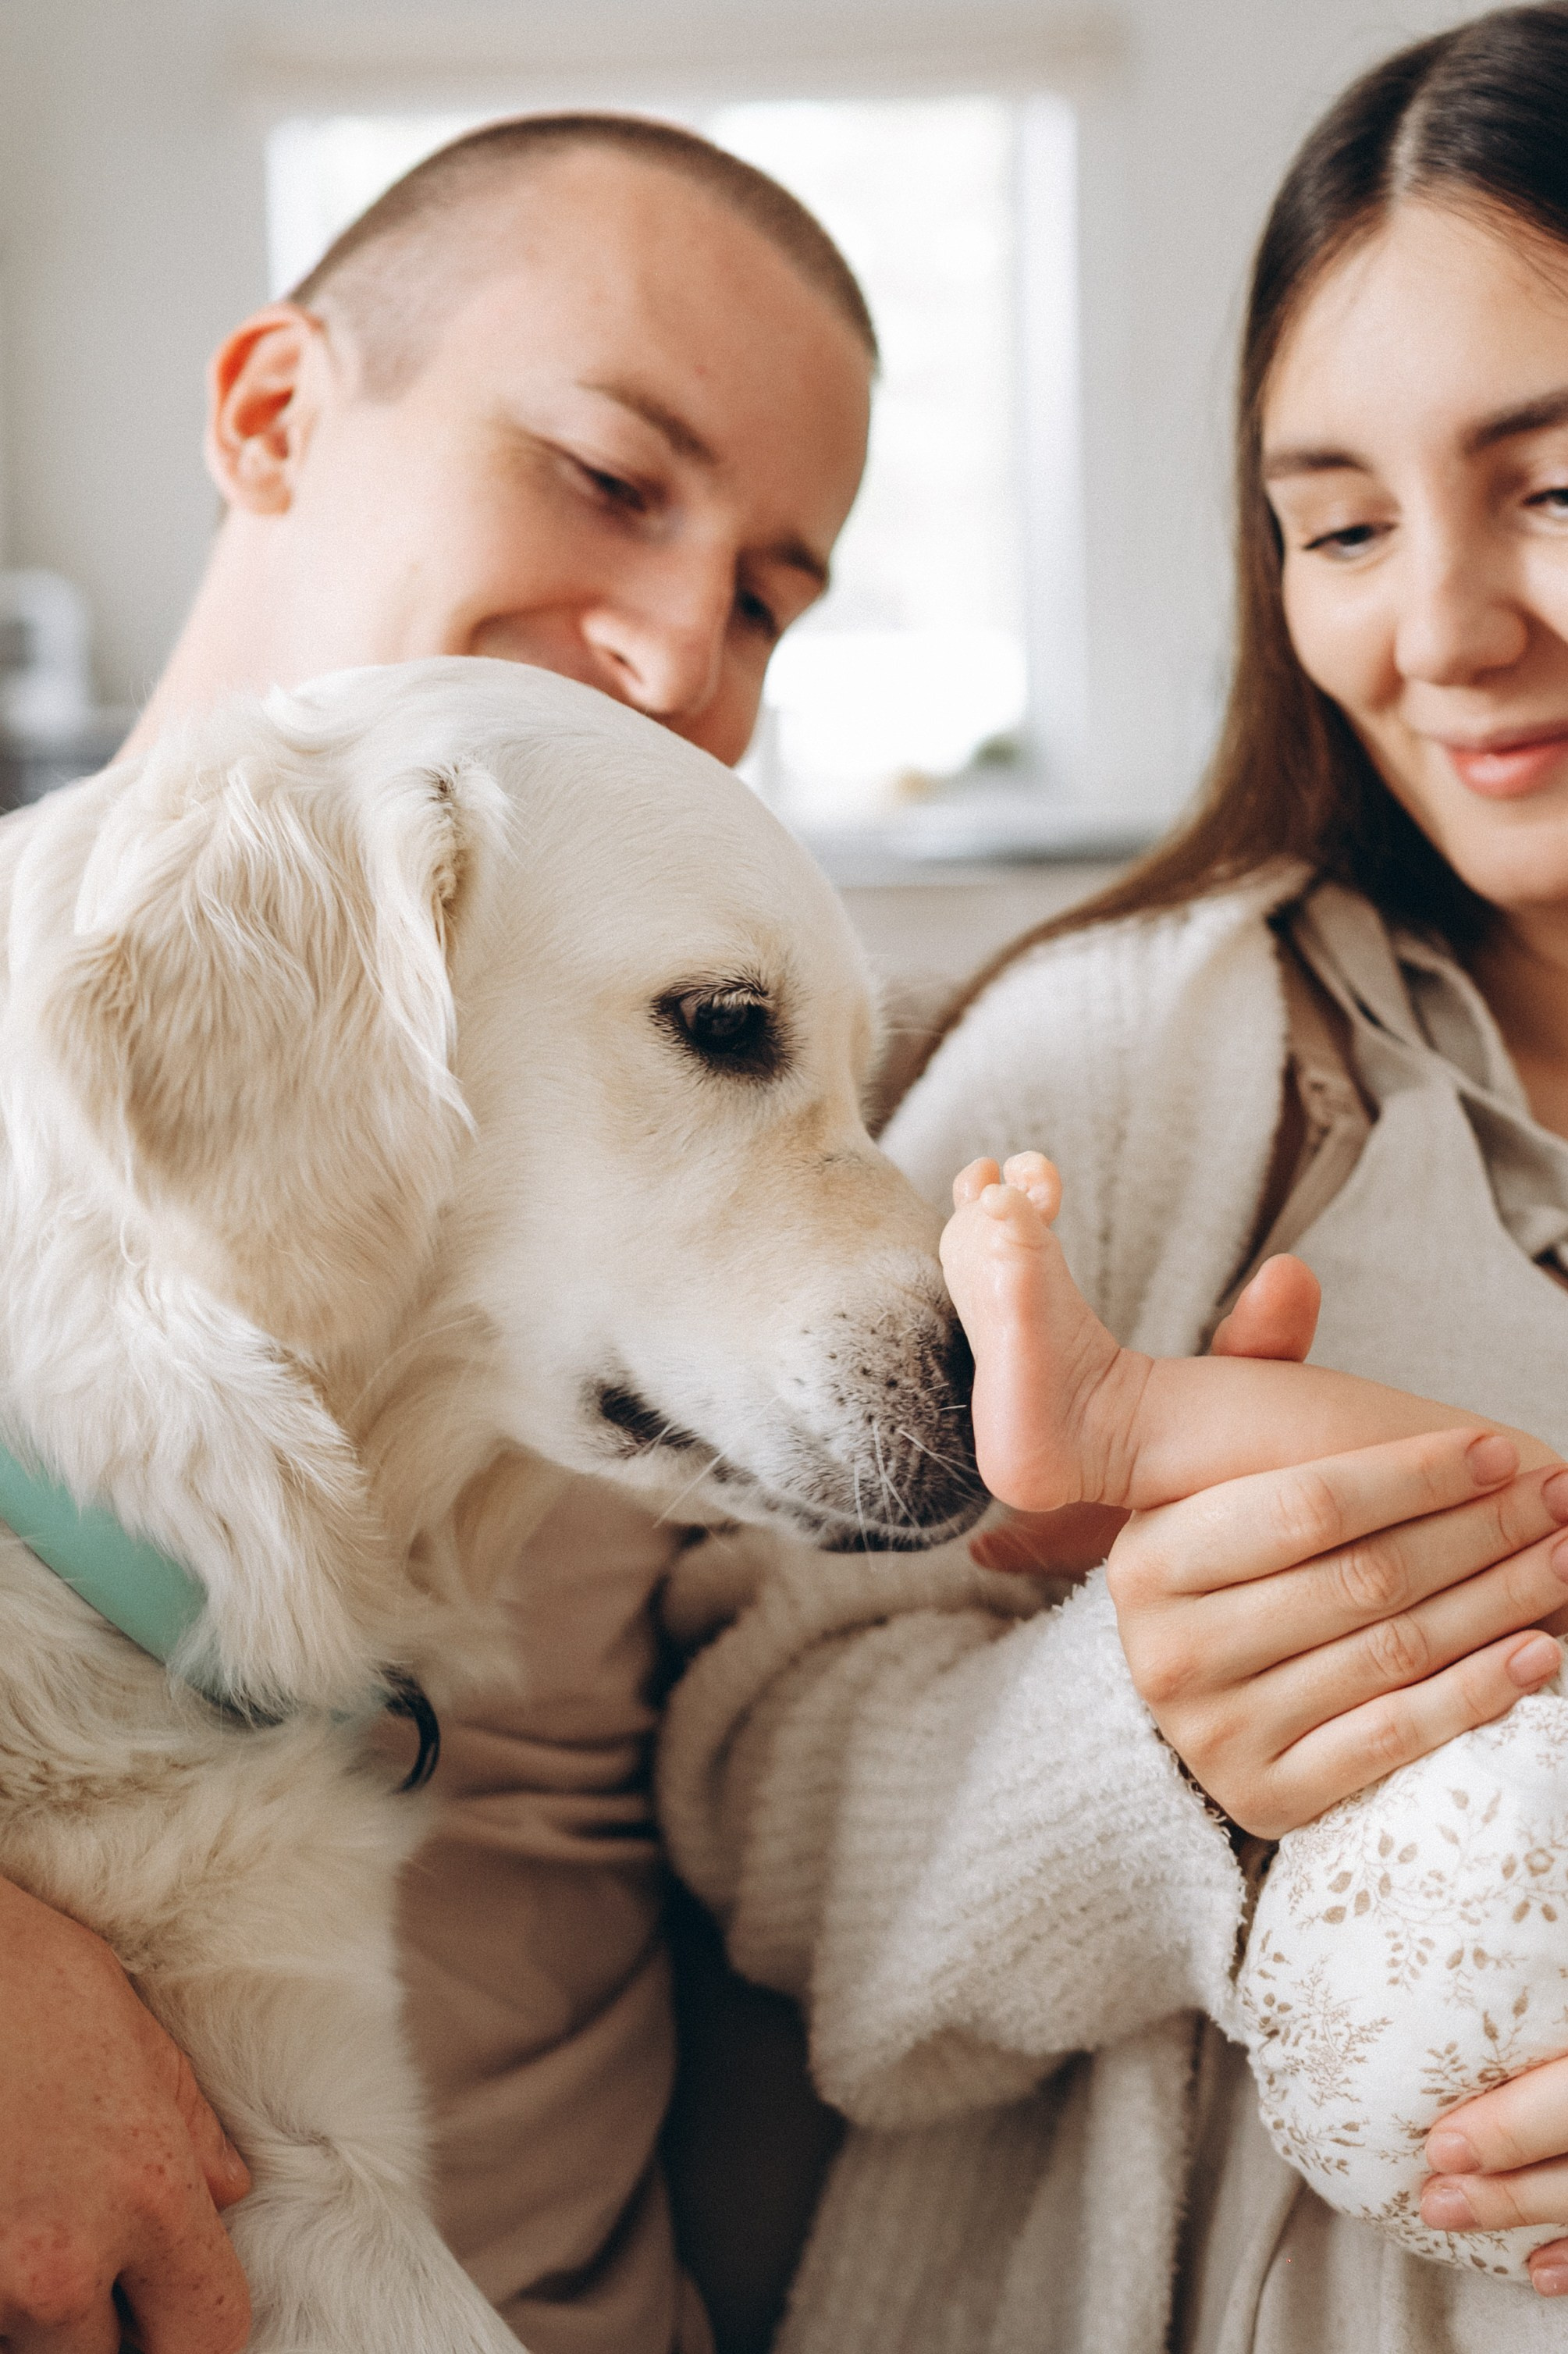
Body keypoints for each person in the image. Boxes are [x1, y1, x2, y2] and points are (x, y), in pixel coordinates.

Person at [656, 9, 1568, 2347]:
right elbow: (751, 1777)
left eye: (1557, 487)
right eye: (1337, 525)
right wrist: (1133, 1741)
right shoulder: (1136, 1059)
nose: (1441, 627)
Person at [0, 113, 873, 2354]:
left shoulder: (789, 1200)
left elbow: (874, 1769)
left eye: (771, 592)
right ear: (279, 416)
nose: (685, 651)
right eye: (605, 472)